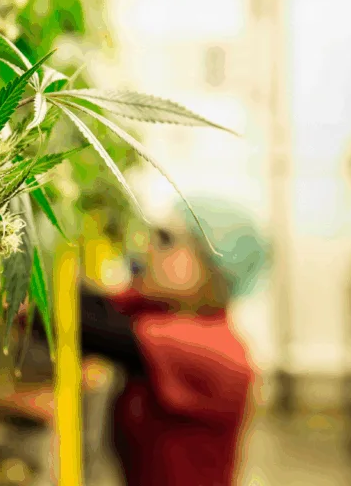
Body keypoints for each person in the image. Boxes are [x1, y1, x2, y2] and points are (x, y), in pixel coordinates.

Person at [82, 196, 269, 486]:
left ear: (211, 264)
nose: (147, 247)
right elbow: (94, 305)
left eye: (165, 239)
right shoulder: (159, 307)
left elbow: (91, 328)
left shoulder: (215, 351)